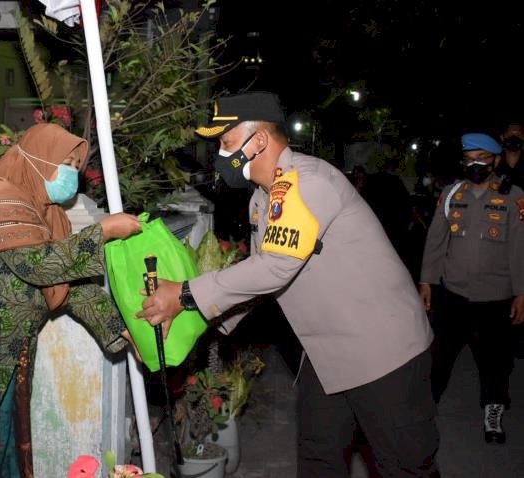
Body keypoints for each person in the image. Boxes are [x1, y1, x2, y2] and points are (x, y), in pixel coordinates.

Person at [137, 91, 439, 477]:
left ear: (258, 141)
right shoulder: (262, 200)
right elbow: (260, 279)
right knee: (318, 457)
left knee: (407, 465)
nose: (219, 155)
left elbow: (275, 267)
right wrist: (195, 321)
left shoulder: (307, 182)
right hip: (328, 352)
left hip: (383, 352)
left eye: (226, 143)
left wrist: (184, 293)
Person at [0, 123, 141, 477]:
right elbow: (40, 266)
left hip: (14, 353)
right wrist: (102, 232)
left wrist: (124, 331)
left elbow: (72, 286)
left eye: (75, 164)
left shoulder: (45, 212)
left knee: (8, 441)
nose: (71, 173)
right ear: (36, 160)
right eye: (64, 162)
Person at [419, 132, 524, 444]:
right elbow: (436, 240)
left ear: (494, 160)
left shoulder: (513, 196)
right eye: (469, 160)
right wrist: (427, 280)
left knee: (495, 362)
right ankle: (424, 411)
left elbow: (519, 247)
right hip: (454, 294)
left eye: (481, 158)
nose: (475, 165)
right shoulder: (452, 194)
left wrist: (522, 291)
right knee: (440, 358)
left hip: (496, 296)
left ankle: (493, 413)